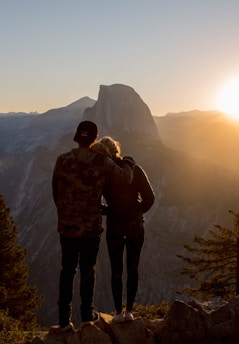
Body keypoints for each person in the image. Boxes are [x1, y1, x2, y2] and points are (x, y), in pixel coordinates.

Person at [52, 121, 134, 331]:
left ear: (77, 137)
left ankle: (63, 320)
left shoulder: (62, 160)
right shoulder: (101, 162)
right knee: (88, 270)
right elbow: (125, 179)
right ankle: (87, 317)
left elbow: (56, 192)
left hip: (67, 227)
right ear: (94, 139)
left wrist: (65, 213)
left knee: (67, 272)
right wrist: (128, 162)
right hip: (90, 228)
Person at [99, 136, 155, 322]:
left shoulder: (103, 173)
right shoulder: (135, 169)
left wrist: (108, 210)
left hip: (115, 225)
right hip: (135, 225)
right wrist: (137, 211)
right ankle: (129, 311)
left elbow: (94, 201)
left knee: (116, 269)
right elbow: (150, 198)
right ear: (117, 150)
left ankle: (116, 313)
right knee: (133, 267)